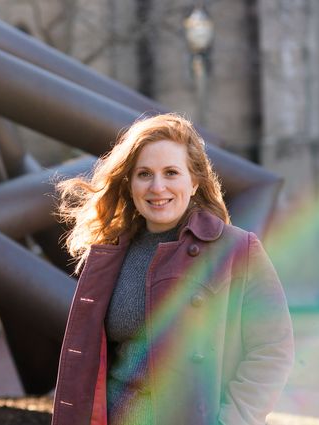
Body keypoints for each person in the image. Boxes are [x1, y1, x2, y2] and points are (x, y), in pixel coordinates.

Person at [51, 113, 294, 425]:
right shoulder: (108, 253)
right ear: (129, 183)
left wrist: (232, 420)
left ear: (194, 182)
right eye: (144, 174)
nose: (157, 187)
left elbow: (273, 349)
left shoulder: (236, 250)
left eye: (171, 173)